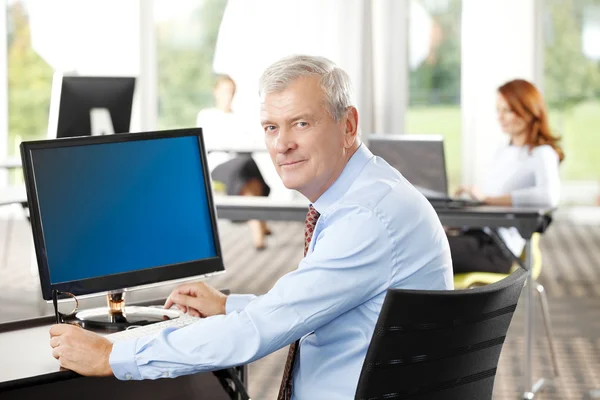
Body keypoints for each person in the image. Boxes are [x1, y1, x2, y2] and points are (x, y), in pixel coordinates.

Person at [48, 55, 453, 399]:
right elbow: (313, 300)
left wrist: (111, 357)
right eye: (271, 127)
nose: (282, 145)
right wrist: (230, 305)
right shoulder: (369, 193)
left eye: (301, 124)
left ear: (348, 126)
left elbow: (253, 334)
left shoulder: (368, 217)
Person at [449, 78, 564, 274]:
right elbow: (489, 204)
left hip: (498, 248)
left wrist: (488, 199)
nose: (500, 117)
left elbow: (549, 196)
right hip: (477, 235)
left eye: (507, 110)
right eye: (498, 110)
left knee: (427, 251)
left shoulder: (541, 153)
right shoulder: (503, 151)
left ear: (528, 111)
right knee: (426, 242)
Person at [197, 74, 272, 250]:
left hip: (240, 163)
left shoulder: (239, 118)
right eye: (224, 91)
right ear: (216, 92)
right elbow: (208, 142)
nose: (228, 95)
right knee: (245, 167)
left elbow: (252, 143)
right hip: (218, 166)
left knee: (246, 166)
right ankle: (259, 225)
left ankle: (258, 228)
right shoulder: (206, 116)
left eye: (231, 92)